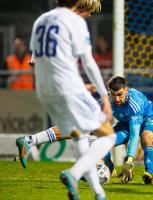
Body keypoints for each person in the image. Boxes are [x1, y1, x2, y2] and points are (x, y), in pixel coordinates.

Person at [27, 0, 116, 199]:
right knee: (108, 135)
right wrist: (104, 97)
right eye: (90, 12)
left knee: (80, 136)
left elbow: (35, 59)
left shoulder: (41, 20)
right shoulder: (74, 22)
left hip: (45, 91)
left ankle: (98, 193)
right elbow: (89, 62)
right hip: (69, 88)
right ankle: (74, 173)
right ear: (82, 7)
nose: (89, 16)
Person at [16, 76, 153, 185]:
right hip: (125, 124)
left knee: (146, 138)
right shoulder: (106, 101)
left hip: (148, 120)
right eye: (113, 94)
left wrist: (129, 160)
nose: (116, 99)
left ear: (126, 90)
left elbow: (134, 134)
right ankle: (30, 140)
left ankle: (148, 172)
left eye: (120, 95)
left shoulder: (134, 103)